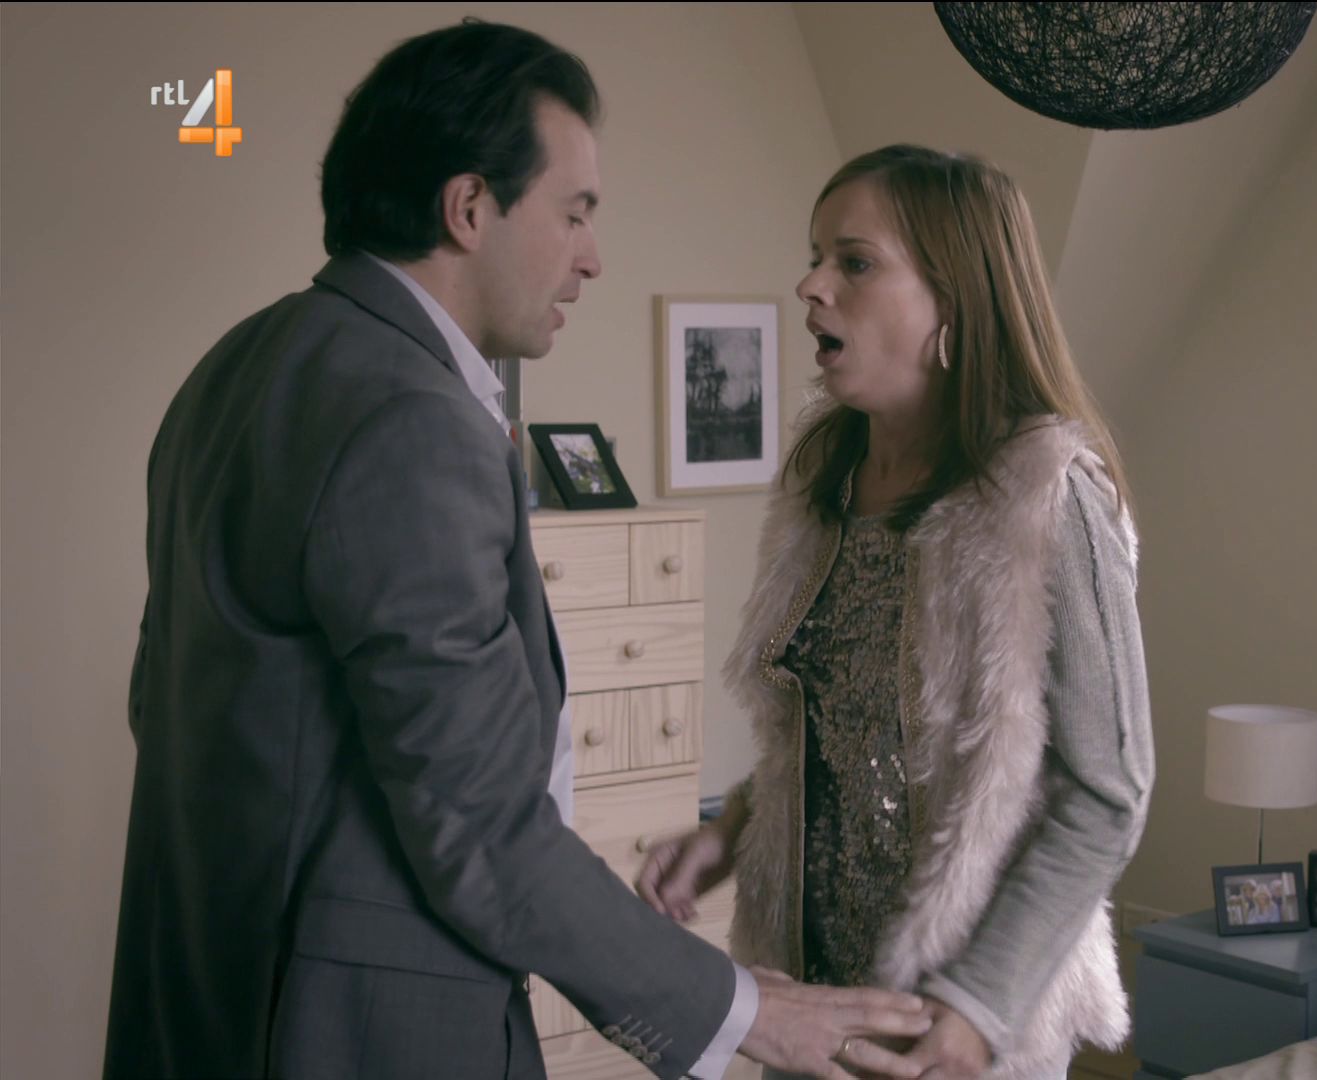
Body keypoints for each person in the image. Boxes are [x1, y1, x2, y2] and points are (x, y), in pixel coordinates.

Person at [104, 21, 929, 1080]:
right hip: (356, 1029)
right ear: (468, 208)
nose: (592, 256)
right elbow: (483, 826)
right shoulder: (410, 419)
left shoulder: (236, 367)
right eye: (574, 213)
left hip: (204, 990)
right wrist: (741, 1011)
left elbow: (164, 703)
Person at [640, 145, 1155, 1079]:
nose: (811, 286)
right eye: (815, 257)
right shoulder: (823, 483)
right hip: (810, 1008)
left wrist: (976, 1008)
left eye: (855, 262)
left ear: (954, 299)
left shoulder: (1051, 498)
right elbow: (830, 733)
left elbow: (1108, 794)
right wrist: (728, 832)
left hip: (962, 1027)